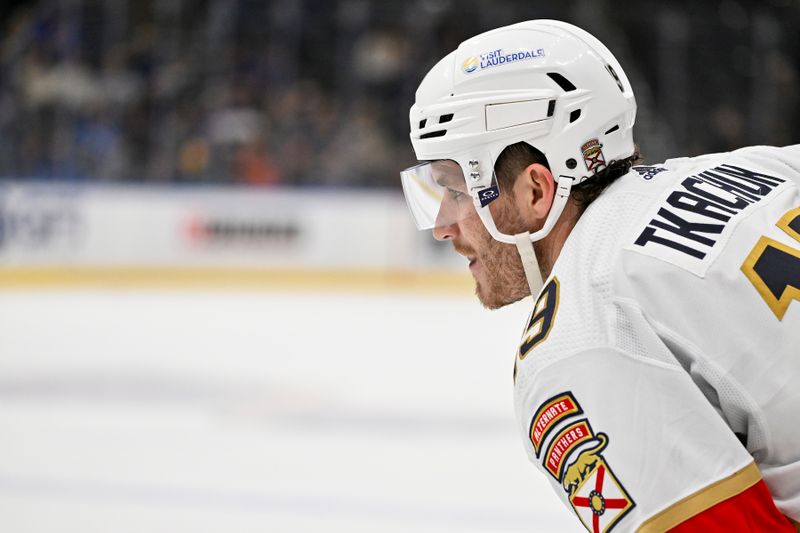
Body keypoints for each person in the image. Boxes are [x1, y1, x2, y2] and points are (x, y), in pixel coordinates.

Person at [400, 20, 800, 532]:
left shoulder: (582, 335)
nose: (441, 226)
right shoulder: (750, 169)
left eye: (454, 190)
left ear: (536, 191)